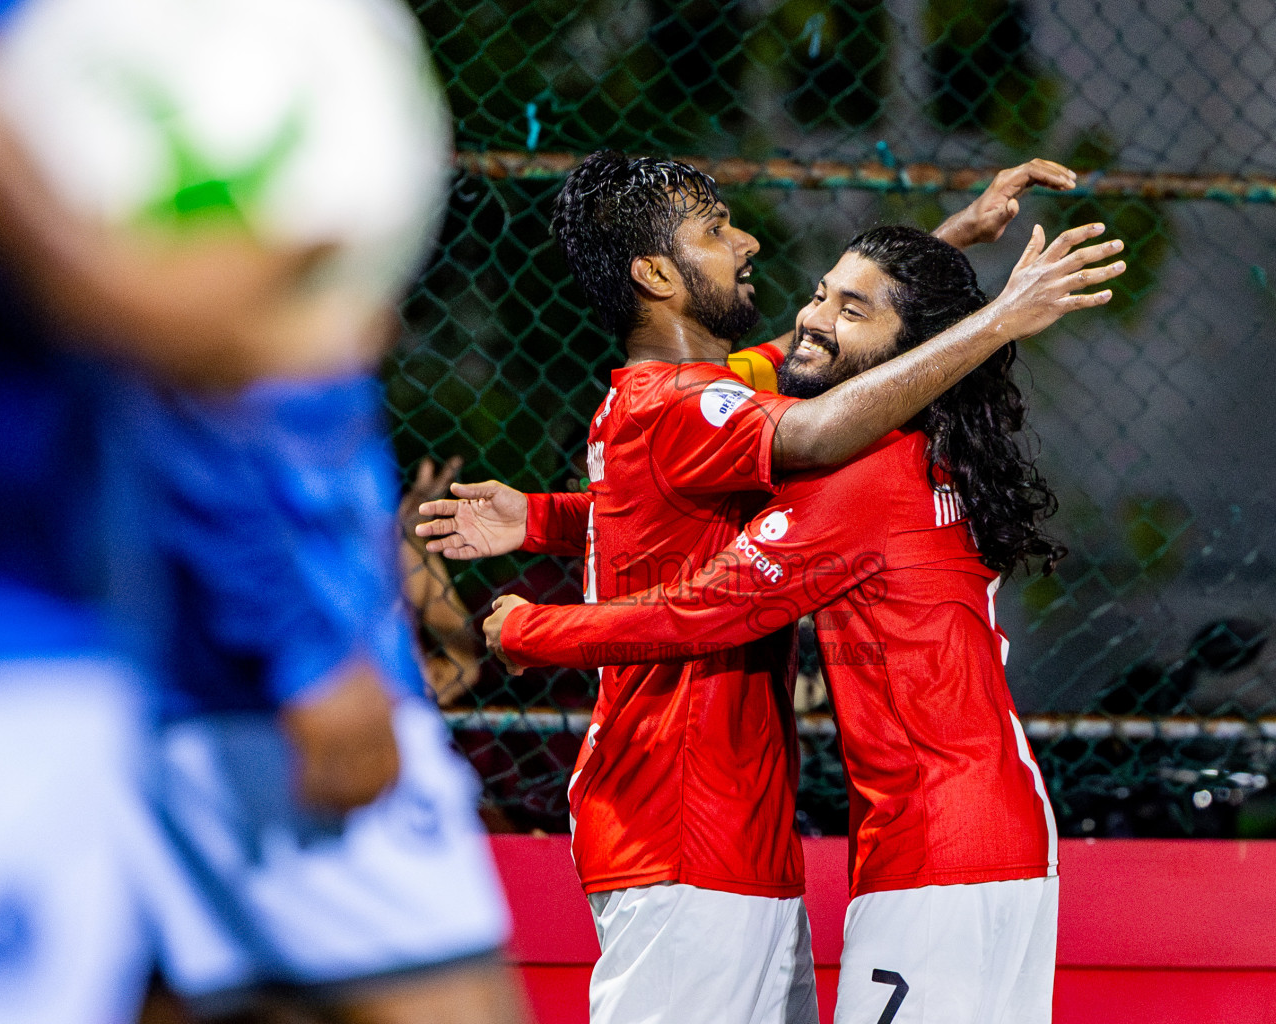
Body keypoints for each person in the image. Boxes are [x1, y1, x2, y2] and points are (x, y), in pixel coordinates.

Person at [417, 154, 1122, 1024]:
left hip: (851, 840)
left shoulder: (767, 433)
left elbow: (745, 536)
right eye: (715, 228)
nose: (749, 242)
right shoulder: (706, 405)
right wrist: (549, 521)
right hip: (706, 829)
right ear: (656, 274)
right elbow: (824, 363)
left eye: (844, 302)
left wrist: (533, 625)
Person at [0, 0, 531, 1019]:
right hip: (246, 680)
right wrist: (305, 648)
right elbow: (175, 375)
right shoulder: (199, 55)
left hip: (130, 657)